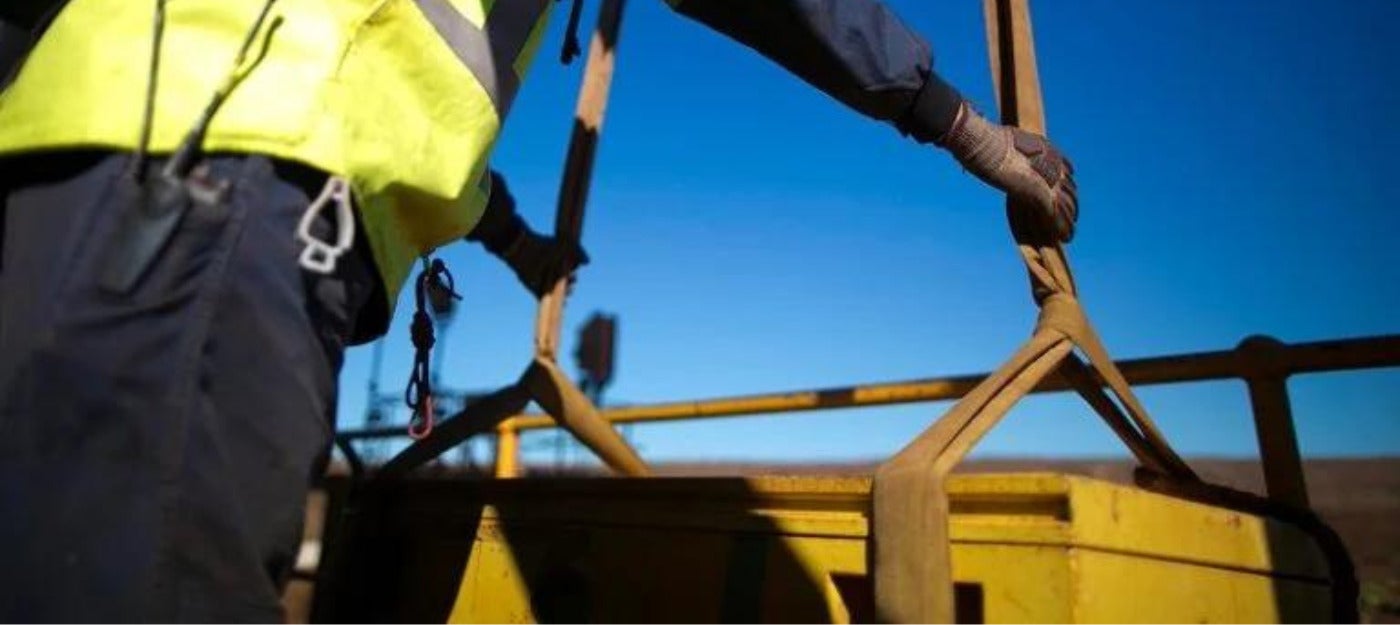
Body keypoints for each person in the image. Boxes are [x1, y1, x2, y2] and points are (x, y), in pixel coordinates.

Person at [0, 0, 1077, 621]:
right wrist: (947, 117)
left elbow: (409, 88)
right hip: (214, 190)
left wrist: (516, 244)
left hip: (98, 177)